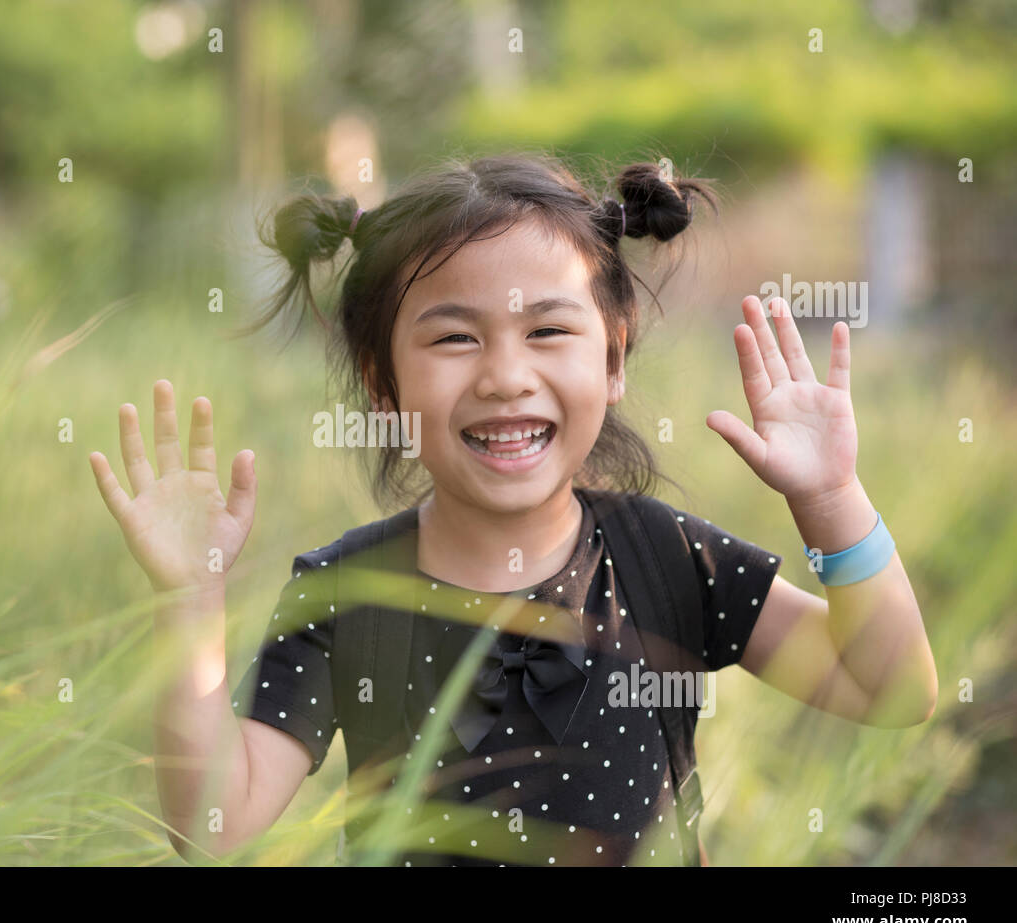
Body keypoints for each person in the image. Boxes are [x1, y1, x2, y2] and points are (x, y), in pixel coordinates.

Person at [88, 150, 938, 866]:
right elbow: (211, 827)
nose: (504, 375)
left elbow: (891, 688)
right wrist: (190, 601)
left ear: (614, 359)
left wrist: (832, 501)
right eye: (455, 337)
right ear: (383, 383)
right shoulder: (346, 595)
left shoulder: (663, 560)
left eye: (548, 332)